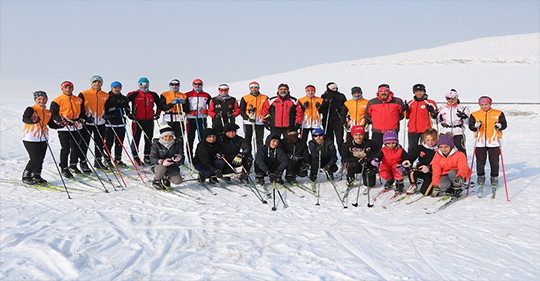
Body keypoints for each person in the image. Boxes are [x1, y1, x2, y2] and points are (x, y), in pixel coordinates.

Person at [21, 91, 62, 184]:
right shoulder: (31, 109)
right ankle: (26, 176)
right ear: (35, 100)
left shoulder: (48, 112)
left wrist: (61, 125)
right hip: (30, 138)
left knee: (40, 158)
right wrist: (33, 121)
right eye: (39, 99)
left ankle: (37, 175)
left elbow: (51, 124)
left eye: (44, 99)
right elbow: (25, 119)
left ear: (47, 99)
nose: (41, 101)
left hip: (43, 138)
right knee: (34, 158)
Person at [50, 81, 86, 178]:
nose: (68, 89)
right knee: (66, 148)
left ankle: (73, 165)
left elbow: (83, 111)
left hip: (77, 126)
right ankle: (64, 167)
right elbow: (54, 114)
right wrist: (62, 121)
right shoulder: (57, 100)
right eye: (66, 88)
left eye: (70, 88)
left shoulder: (78, 99)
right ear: (62, 89)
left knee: (76, 147)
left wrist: (82, 118)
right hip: (64, 128)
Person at [468, 96, 507, 187]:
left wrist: (500, 125)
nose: (484, 106)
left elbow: (504, 125)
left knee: (494, 161)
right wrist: (475, 126)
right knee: (480, 161)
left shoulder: (498, 113)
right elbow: (471, 127)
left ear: (490, 104)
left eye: (486, 104)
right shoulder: (475, 114)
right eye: (482, 105)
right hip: (480, 141)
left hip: (494, 141)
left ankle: (494, 177)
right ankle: (481, 176)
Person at [78, 75, 110, 171]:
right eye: (95, 82)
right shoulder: (84, 94)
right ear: (91, 83)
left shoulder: (106, 95)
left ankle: (98, 162)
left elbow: (107, 108)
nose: (97, 84)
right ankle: (83, 163)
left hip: (100, 123)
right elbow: (79, 108)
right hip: (87, 123)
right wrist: (84, 117)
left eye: (99, 82)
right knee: (84, 143)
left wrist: (107, 115)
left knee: (99, 143)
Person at [127, 77, 161, 165]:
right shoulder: (134, 94)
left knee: (149, 138)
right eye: (142, 84)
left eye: (146, 84)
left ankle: (147, 156)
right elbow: (124, 103)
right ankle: (135, 156)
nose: (144, 86)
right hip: (137, 120)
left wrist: (157, 113)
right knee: (136, 138)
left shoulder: (153, 94)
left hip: (149, 120)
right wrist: (129, 114)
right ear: (139, 85)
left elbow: (159, 104)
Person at [365, 84, 405, 153]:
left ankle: (392, 163)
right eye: (381, 91)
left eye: (386, 91)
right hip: (377, 130)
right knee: (375, 150)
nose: (383, 93)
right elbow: (367, 114)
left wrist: (395, 119)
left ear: (389, 91)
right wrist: (374, 120)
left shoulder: (398, 101)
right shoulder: (372, 102)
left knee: (392, 149)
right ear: (378, 92)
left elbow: (402, 114)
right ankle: (375, 163)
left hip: (392, 130)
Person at [433, 89, 470, 155]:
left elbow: (467, 122)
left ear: (456, 98)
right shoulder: (441, 108)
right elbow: (435, 122)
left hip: (458, 131)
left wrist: (464, 117)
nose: (450, 100)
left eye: (453, 98)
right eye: (448, 98)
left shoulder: (463, 108)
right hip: (445, 131)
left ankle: (462, 164)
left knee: (460, 149)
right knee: (444, 149)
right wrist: (434, 117)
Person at [402, 128, 438, 195]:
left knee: (425, 193)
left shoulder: (438, 150)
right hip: (420, 169)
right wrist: (408, 160)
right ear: (424, 140)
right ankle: (413, 185)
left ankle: (435, 186)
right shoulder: (420, 148)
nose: (430, 142)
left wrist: (429, 167)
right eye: (428, 140)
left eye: (433, 140)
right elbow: (412, 155)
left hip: (431, 172)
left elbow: (439, 163)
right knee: (412, 171)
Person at [403, 84, 437, 152]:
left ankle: (425, 161)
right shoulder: (411, 103)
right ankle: (410, 162)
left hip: (425, 130)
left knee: (426, 147)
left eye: (421, 91)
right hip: (412, 129)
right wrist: (405, 110)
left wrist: (432, 110)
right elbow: (406, 116)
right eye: (417, 92)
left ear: (424, 92)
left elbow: (435, 115)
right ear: (414, 93)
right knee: (411, 148)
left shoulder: (430, 102)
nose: (419, 93)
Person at [104, 81, 130, 168]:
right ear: (111, 88)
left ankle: (118, 158)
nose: (117, 89)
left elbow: (127, 108)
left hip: (120, 123)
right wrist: (108, 113)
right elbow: (104, 108)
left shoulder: (123, 98)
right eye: (115, 87)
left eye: (119, 87)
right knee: (109, 142)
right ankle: (107, 159)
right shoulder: (107, 97)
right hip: (110, 123)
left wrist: (128, 113)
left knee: (119, 142)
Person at [150, 124, 184, 190]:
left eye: (170, 136)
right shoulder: (156, 144)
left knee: (178, 181)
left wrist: (178, 158)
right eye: (165, 136)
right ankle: (156, 181)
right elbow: (152, 158)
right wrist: (161, 161)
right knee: (162, 167)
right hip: (158, 166)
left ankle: (166, 177)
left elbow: (182, 156)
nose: (168, 138)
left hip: (172, 166)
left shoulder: (177, 144)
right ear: (162, 136)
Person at [184, 79, 211, 157]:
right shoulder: (187, 95)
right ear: (192, 85)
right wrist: (189, 112)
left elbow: (211, 107)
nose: (197, 86)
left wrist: (206, 111)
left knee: (203, 138)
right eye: (195, 84)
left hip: (202, 119)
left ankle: (202, 155)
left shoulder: (206, 95)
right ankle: (189, 156)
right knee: (190, 138)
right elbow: (184, 107)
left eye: (199, 84)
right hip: (191, 119)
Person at [239, 81, 268, 152]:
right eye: (252, 88)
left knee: (259, 139)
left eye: (256, 87)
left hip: (260, 121)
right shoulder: (245, 98)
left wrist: (266, 117)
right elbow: (241, 110)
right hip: (248, 122)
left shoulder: (265, 97)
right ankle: (248, 154)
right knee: (248, 138)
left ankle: (260, 154)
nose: (254, 89)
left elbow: (267, 108)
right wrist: (247, 118)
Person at [320, 82, 347, 154]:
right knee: (329, 139)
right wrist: (326, 103)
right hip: (327, 120)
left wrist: (337, 106)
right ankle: (331, 155)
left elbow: (345, 107)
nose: (335, 90)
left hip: (338, 119)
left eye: (336, 88)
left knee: (340, 139)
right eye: (333, 88)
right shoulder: (324, 96)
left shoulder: (341, 96)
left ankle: (343, 156)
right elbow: (321, 110)